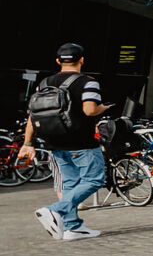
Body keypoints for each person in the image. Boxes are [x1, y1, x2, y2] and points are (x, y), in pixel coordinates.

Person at [23, 43, 111, 241]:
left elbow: (33, 114)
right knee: (94, 179)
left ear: (58, 61)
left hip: (54, 143)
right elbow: (89, 110)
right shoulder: (87, 82)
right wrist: (102, 108)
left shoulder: (44, 83)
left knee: (70, 184)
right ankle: (54, 210)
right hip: (82, 143)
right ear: (82, 60)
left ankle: (73, 228)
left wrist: (27, 142)